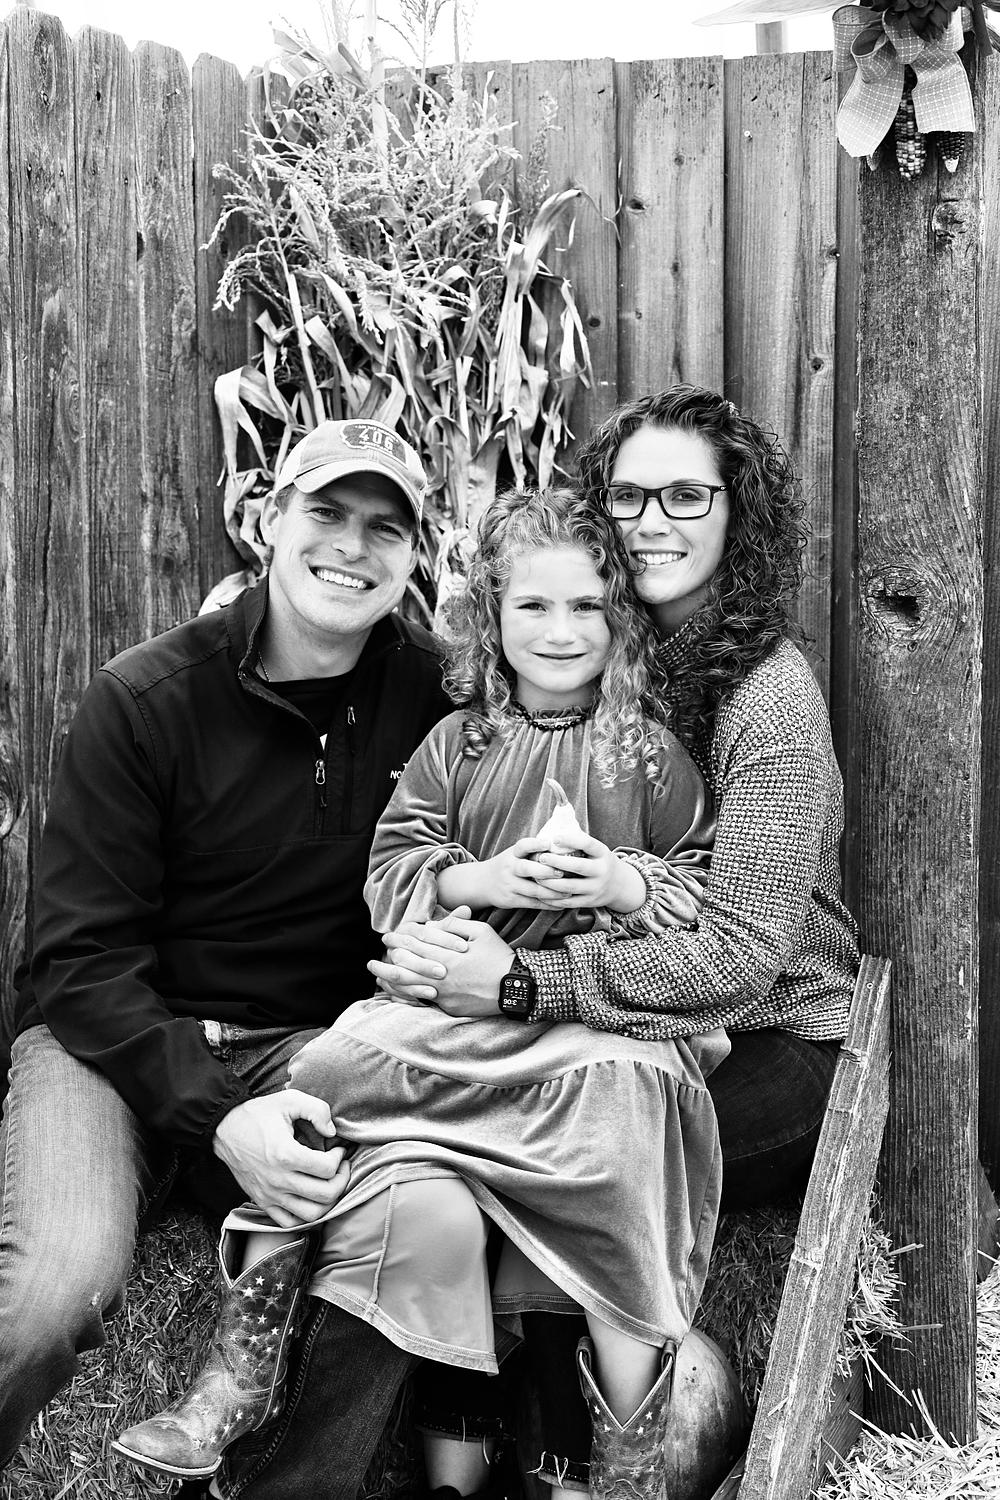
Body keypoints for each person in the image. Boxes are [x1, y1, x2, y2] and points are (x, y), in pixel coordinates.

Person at [115, 487, 728, 1500]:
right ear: (490, 618)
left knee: (630, 1143)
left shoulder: (647, 753)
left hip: (582, 1025)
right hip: (457, 1018)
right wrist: (483, 880)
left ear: (621, 619)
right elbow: (393, 871)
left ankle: (627, 1466)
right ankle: (239, 1369)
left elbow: (702, 891)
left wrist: (620, 883)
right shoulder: (460, 744)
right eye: (533, 607)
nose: (562, 631)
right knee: (324, 1067)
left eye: (587, 607)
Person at [369, 385, 861, 1493]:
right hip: (622, 1022)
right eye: (629, 495)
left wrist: (518, 986)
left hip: (770, 1035)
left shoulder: (767, 697)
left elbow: (738, 955)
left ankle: (587, 1472)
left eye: (687, 495)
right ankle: (467, 1465)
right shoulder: (593, 662)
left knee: (560, 1160)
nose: (652, 521)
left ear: (739, 512)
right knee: (430, 1158)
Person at [0, 419, 457, 1500]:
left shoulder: (438, 701)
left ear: (414, 556)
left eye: (385, 528)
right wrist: (214, 1113)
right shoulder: (146, 698)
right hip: (110, 1046)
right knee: (57, 1286)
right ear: (266, 522)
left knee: (421, 1217)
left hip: (312, 1053)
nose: (352, 547)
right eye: (326, 513)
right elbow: (76, 960)